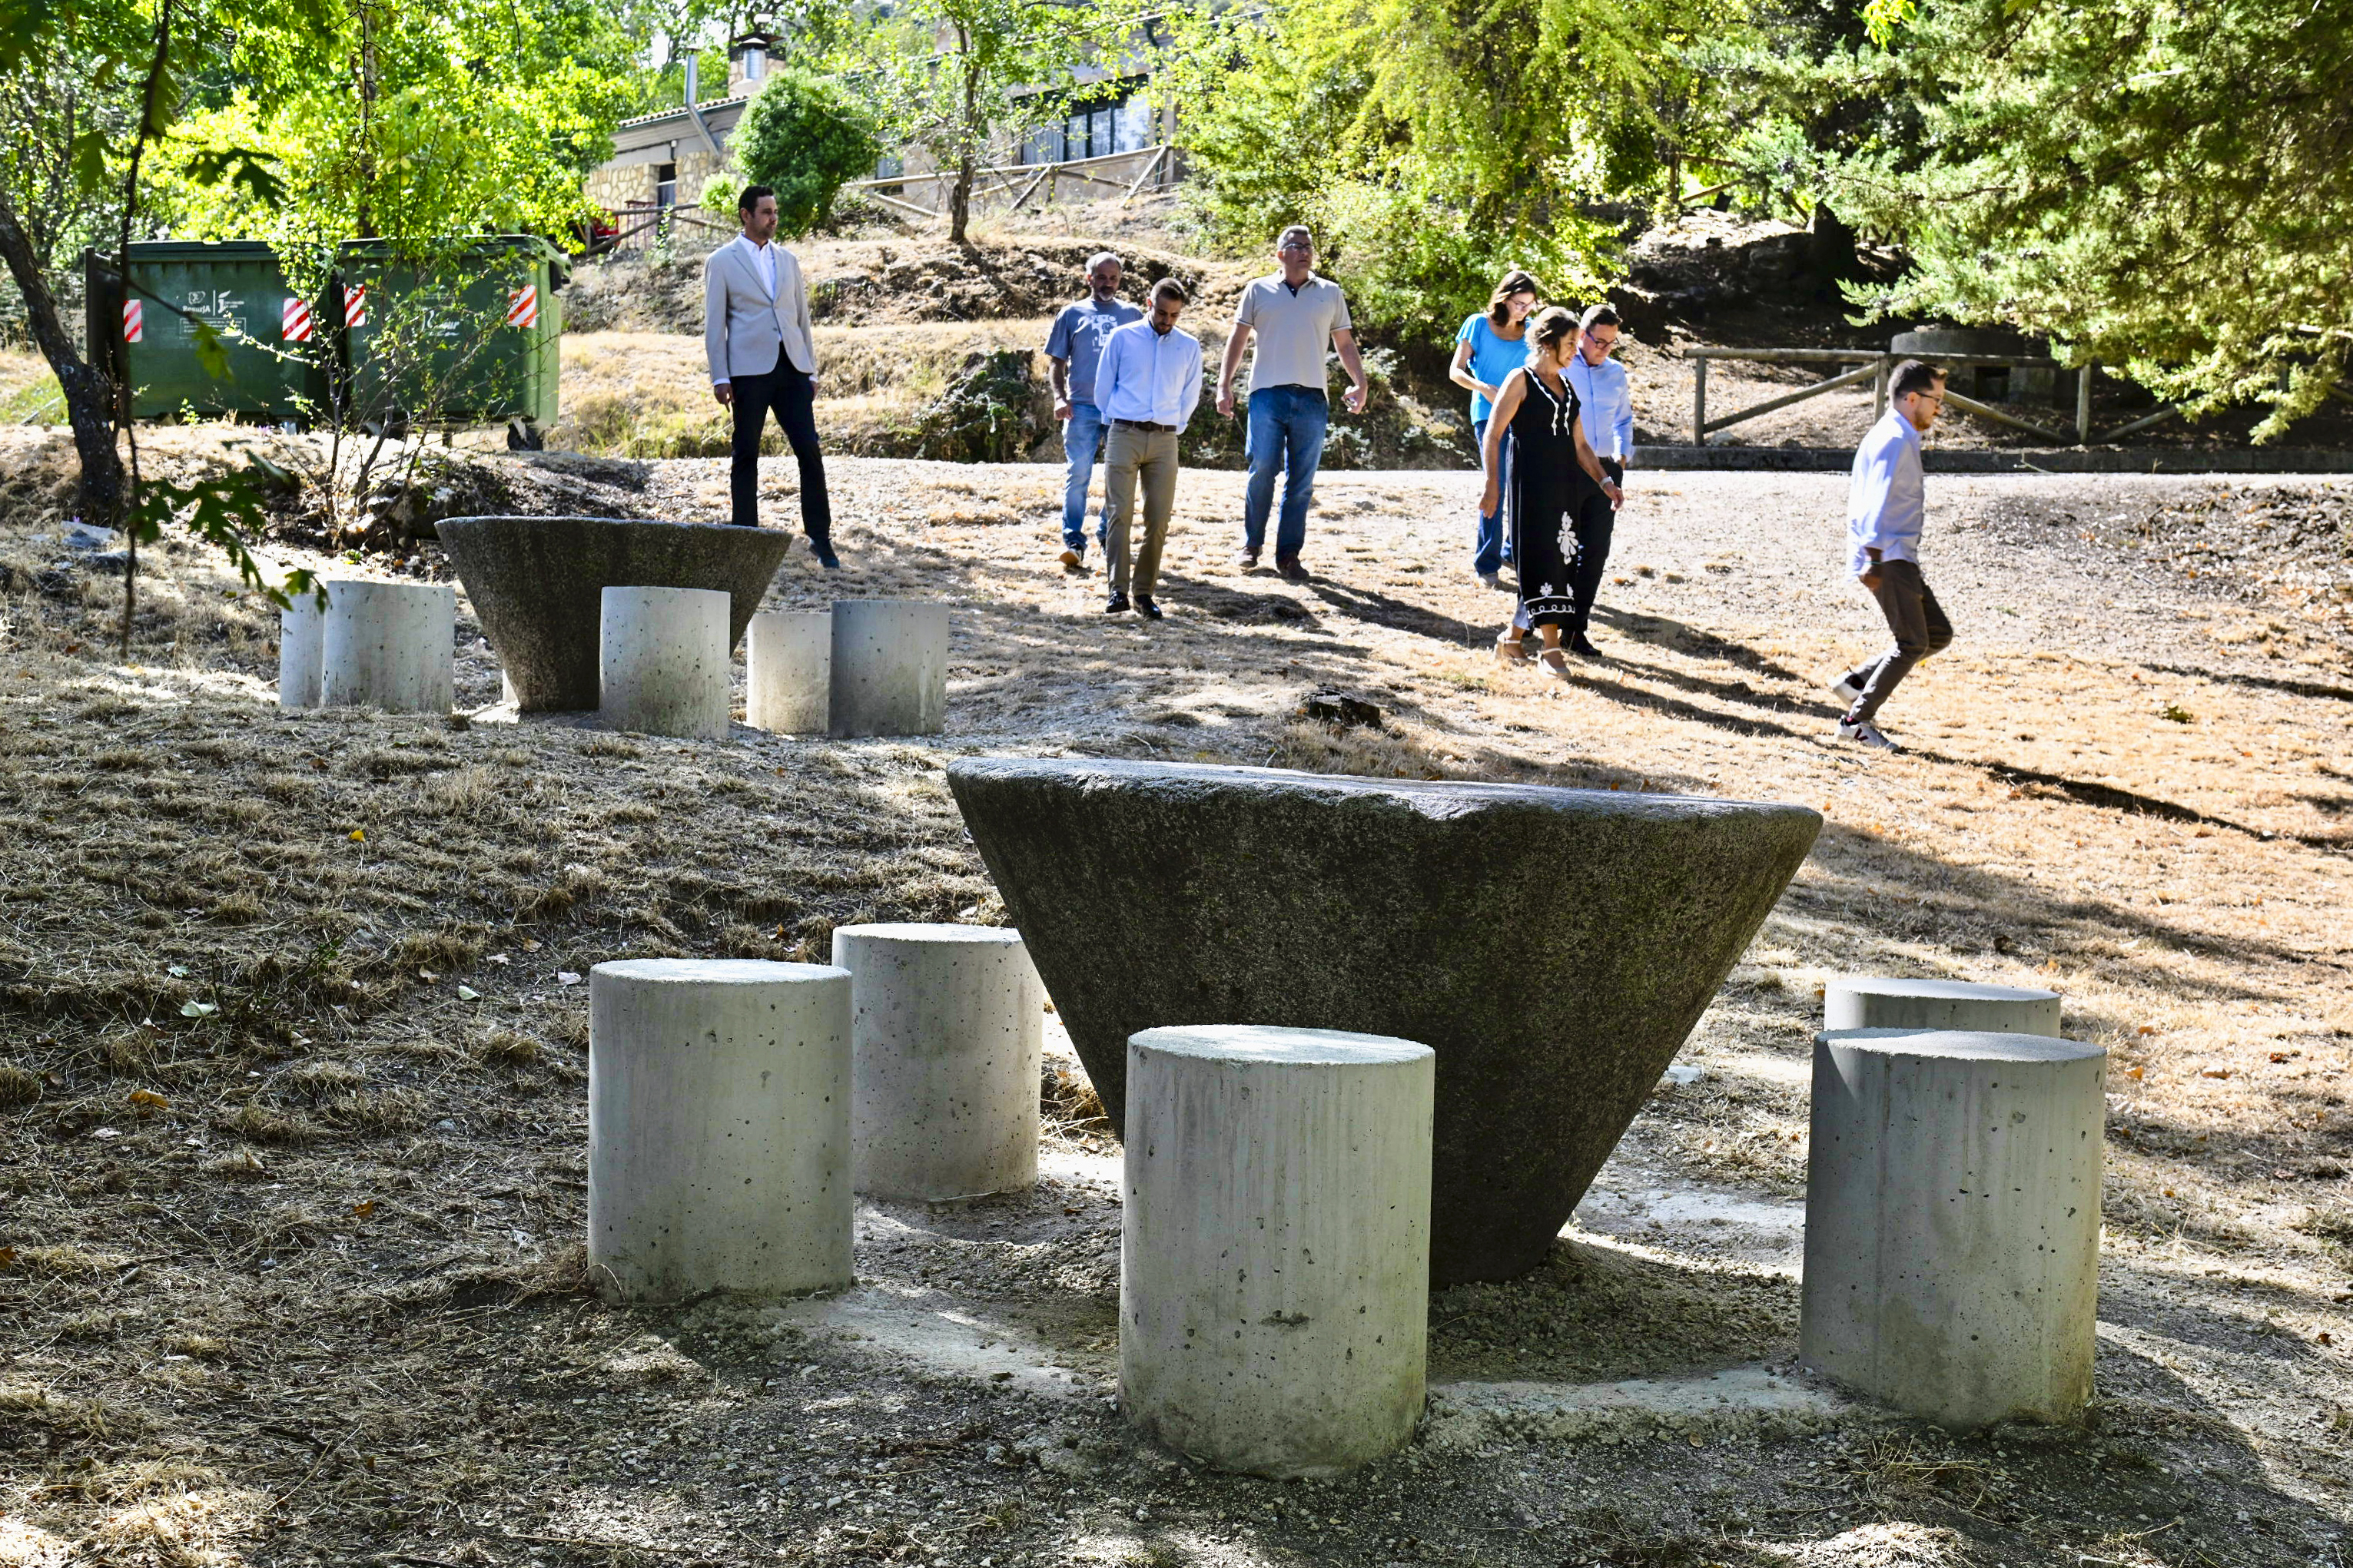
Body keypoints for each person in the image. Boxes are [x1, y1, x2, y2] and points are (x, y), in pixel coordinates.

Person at [1214, 226, 1369, 581]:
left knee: (1301, 481)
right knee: (1262, 469)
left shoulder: (1330, 292)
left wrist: (1360, 383)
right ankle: (1252, 545)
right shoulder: (1258, 289)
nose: (1304, 251)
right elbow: (1237, 340)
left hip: (1314, 396)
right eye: (1296, 246)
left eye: (1309, 246)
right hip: (1267, 394)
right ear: (1280, 254)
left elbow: (1344, 344)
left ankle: (1288, 556)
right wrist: (1224, 385)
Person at [1481, 308, 1622, 678]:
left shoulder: (1568, 386)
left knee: (1560, 563)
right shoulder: (1521, 380)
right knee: (1543, 563)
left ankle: (1511, 641)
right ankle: (1550, 649)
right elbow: (1493, 434)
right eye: (1570, 343)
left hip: (1565, 490)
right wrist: (1491, 485)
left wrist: (1606, 482)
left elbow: (1581, 446)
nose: (1576, 350)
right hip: (1531, 487)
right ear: (1548, 344)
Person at [705, 184, 838, 568]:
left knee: (809, 449)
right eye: (765, 212)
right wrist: (720, 377)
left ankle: (820, 538)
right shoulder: (722, 261)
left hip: (792, 368)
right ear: (746, 215)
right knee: (746, 452)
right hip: (748, 371)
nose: (773, 218)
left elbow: (802, 318)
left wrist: (810, 367)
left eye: (775, 211)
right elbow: (715, 325)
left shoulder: (788, 260)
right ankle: (746, 536)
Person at [1830, 359, 1952, 749]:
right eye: (1936, 400)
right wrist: (1875, 559)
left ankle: (1857, 682)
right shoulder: (1894, 439)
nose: (1939, 408)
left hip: (1898, 554)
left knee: (1936, 634)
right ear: (1912, 397)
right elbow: (1874, 504)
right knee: (1912, 642)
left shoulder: (1898, 435)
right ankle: (1855, 722)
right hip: (1888, 555)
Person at [1093, 279, 1203, 621]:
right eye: (1161, 312)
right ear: (1148, 303)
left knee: (1158, 518)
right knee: (1119, 514)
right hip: (1124, 432)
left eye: (1174, 315)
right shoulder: (1123, 337)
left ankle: (1144, 592)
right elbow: (1103, 387)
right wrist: (1118, 420)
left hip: (1165, 440)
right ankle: (1117, 591)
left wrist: (1173, 426)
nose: (1167, 320)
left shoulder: (1189, 346)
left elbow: (1191, 393)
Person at [1044, 252, 1143, 574]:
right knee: (1079, 475)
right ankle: (1073, 543)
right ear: (1089, 278)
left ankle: (1107, 536)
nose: (1107, 284)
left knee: (1119, 479)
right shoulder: (1071, 314)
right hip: (1081, 407)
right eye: (1101, 277)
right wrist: (1060, 398)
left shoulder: (1133, 314)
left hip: (1121, 409)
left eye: (1113, 278)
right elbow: (1056, 362)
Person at [1451, 270, 1539, 588]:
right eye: (1519, 303)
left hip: (1524, 417)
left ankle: (1512, 552)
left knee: (1525, 488)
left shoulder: (1532, 331)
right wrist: (1484, 388)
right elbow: (1455, 371)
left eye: (1529, 305)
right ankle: (1486, 565)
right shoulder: (1477, 324)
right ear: (1505, 298)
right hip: (1487, 415)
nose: (1524, 310)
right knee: (1496, 485)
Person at [1558, 303, 1634, 656]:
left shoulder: (1615, 373)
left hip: (1605, 471)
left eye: (1611, 343)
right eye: (1599, 342)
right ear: (1583, 335)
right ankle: (1536, 621)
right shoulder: (1560, 367)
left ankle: (1576, 630)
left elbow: (1623, 418)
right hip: (1566, 469)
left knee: (1595, 552)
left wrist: (1621, 456)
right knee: (1559, 549)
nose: (1604, 349)